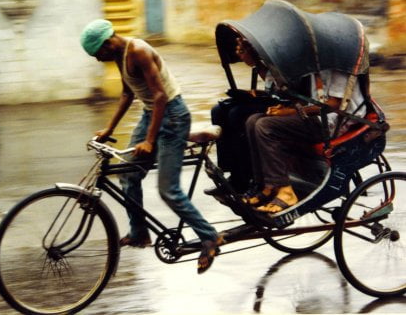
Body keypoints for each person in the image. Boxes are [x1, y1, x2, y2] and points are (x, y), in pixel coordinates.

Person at [80, 19, 223, 274]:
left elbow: (160, 96)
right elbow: (127, 93)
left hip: (173, 116)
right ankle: (139, 233)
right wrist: (109, 129)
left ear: (107, 43)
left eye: (97, 53)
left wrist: (149, 140)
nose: (97, 59)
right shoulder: (120, 55)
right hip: (152, 114)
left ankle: (210, 236)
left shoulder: (138, 51)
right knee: (128, 174)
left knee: (168, 190)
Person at [244, 66, 368, 213]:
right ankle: (266, 186)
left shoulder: (338, 68)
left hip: (333, 122)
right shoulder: (313, 64)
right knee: (253, 121)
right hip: (315, 117)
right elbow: (306, 98)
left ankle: (286, 191)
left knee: (265, 126)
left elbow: (335, 104)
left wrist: (292, 111)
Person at [206, 37, 278, 195]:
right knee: (218, 110)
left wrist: (256, 62)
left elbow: (285, 88)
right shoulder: (269, 56)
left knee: (237, 114)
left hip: (287, 104)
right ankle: (233, 175)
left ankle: (246, 176)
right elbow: (271, 85)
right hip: (274, 97)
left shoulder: (283, 56)